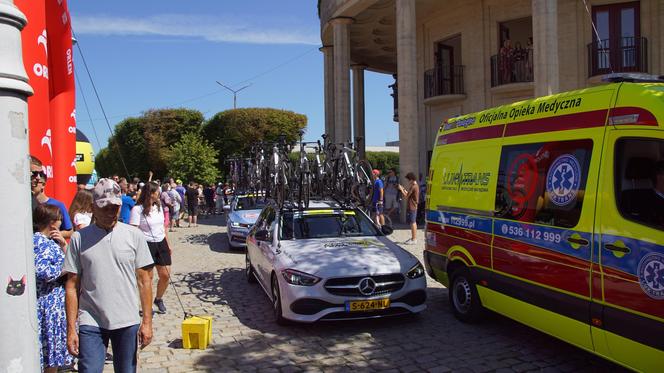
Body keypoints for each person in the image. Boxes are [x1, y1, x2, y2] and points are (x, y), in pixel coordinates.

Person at [64, 178, 154, 373]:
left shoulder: (134, 235)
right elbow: (71, 286)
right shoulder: (80, 238)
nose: (111, 212)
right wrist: (71, 327)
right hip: (91, 319)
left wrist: (147, 322)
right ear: (93, 207)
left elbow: (145, 280)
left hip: (127, 319)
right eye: (105, 207)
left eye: (115, 207)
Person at [33, 204, 74, 372]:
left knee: (54, 350)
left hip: (55, 301)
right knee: (50, 350)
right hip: (47, 302)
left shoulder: (51, 241)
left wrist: (64, 244)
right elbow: (44, 271)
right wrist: (65, 269)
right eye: (59, 219)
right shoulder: (38, 242)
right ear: (51, 223)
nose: (61, 222)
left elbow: (71, 259)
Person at [130, 182, 171, 315]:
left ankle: (158, 299)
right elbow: (133, 231)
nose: (158, 194)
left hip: (161, 242)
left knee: (165, 274)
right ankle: (147, 306)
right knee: (148, 278)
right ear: (150, 193)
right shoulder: (137, 209)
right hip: (146, 244)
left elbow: (163, 227)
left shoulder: (158, 207)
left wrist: (168, 243)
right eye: (156, 192)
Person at [31, 156, 74, 239]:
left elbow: (70, 231)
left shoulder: (58, 205)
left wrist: (51, 234)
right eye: (35, 174)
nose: (37, 179)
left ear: (44, 184)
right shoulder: (30, 203)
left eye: (39, 181)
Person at [398, 172, 420, 245]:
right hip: (413, 206)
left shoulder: (414, 186)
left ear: (411, 179)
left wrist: (401, 189)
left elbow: (406, 196)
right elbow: (408, 194)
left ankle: (414, 239)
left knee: (413, 222)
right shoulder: (415, 186)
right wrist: (404, 189)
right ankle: (413, 238)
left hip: (412, 206)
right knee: (413, 222)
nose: (408, 181)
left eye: (408, 180)